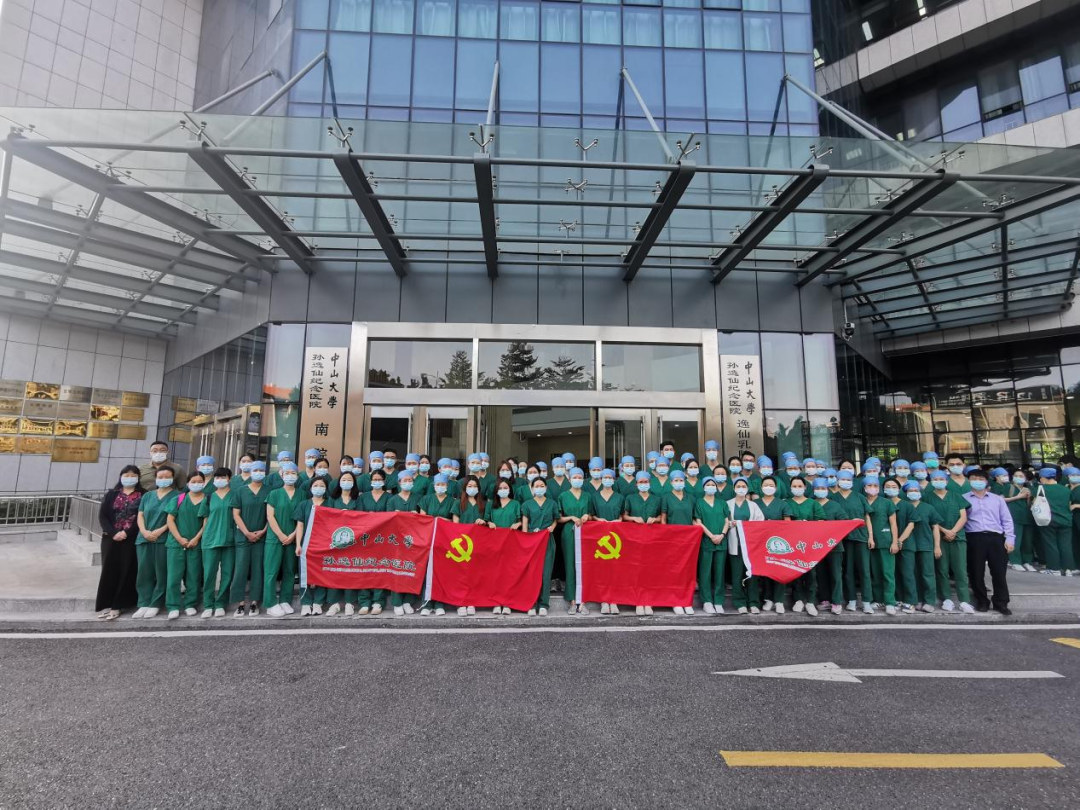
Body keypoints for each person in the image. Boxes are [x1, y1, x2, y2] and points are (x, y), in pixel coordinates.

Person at [964, 467, 1016, 615]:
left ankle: (1001, 602)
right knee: (976, 572)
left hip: (996, 538)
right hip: (974, 537)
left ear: (987, 481)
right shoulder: (963, 499)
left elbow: (1007, 520)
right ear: (969, 481)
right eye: (974, 479)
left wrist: (1010, 539)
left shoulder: (997, 499)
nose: (977, 482)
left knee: (999, 572)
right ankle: (982, 601)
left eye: (981, 479)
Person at [94, 465, 144, 620]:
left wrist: (127, 533)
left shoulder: (143, 494)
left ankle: (119, 605)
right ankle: (108, 604)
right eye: (126, 475)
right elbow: (103, 516)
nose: (129, 478)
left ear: (138, 477)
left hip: (131, 538)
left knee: (127, 570)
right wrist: (113, 532)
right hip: (111, 539)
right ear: (121, 476)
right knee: (109, 570)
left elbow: (142, 517)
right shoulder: (112, 494)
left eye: (133, 475)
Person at [133, 464, 178, 619]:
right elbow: (140, 515)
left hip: (163, 539)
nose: (164, 479)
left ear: (173, 478)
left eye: (167, 477)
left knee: (161, 572)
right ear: (156, 478)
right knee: (144, 572)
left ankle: (155, 604)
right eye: (160, 477)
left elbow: (175, 518)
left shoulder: (177, 496)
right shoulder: (147, 496)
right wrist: (144, 531)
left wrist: (160, 530)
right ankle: (143, 603)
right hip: (144, 539)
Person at [927, 470, 973, 613]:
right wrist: (945, 531)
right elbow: (929, 518)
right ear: (931, 482)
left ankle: (964, 600)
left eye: (941, 479)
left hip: (958, 537)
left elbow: (963, 517)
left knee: (960, 569)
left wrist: (953, 531)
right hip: (938, 538)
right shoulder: (927, 498)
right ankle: (946, 599)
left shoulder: (956, 496)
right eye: (935, 479)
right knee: (942, 569)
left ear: (947, 481)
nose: (938, 481)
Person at [163, 471, 207, 620]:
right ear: (188, 483)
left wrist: (196, 539)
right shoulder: (179, 499)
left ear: (204, 483)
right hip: (176, 544)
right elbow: (170, 520)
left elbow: (206, 523)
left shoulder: (207, 500)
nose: (196, 484)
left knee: (193, 576)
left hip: (196, 544)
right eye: (193, 481)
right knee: (173, 577)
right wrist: (179, 538)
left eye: (200, 481)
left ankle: (190, 604)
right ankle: (173, 606)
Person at [231, 459, 269, 617]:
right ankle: (240, 603)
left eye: (261, 470)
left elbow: (271, 515)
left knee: (257, 570)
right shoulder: (241, 491)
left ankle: (254, 602)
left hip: (262, 537)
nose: (258, 473)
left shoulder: (269, 491)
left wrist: (263, 531)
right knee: (240, 569)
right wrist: (246, 532)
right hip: (243, 537)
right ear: (250, 472)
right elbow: (236, 514)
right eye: (255, 470)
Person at [896, 481, 941, 613]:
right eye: (910, 491)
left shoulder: (928, 508)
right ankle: (915, 600)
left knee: (927, 574)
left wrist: (937, 546)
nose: (913, 493)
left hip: (925, 544)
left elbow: (935, 527)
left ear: (920, 492)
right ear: (905, 493)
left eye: (916, 490)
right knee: (910, 573)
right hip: (907, 545)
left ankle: (929, 601)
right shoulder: (902, 507)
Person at [264, 462, 302, 618]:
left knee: (289, 571)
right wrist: (280, 535)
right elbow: (270, 516)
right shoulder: (274, 494)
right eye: (287, 473)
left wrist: (293, 535)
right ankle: (270, 603)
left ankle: (285, 600)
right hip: (275, 538)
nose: (290, 476)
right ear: (281, 475)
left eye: (293, 473)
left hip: (293, 538)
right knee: (271, 571)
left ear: (297, 476)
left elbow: (302, 518)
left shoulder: (301, 494)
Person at [419, 473, 460, 616]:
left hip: (445, 540)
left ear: (447, 486)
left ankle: (439, 603)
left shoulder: (453, 501)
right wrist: (433, 520)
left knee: (441, 571)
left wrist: (442, 520)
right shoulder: (426, 499)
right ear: (434, 485)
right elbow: (422, 519)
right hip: (429, 539)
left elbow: (455, 522)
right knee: (428, 571)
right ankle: (427, 603)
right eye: (438, 484)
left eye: (443, 484)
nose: (440, 487)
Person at [833, 470, 873, 614]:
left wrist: (871, 536)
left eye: (848, 479)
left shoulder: (860, 497)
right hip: (843, 538)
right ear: (838, 480)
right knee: (848, 570)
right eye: (843, 479)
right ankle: (851, 600)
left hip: (861, 537)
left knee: (864, 570)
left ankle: (867, 602)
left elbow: (867, 517)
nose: (846, 482)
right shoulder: (833, 498)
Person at [722, 478, 764, 615]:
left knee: (752, 574)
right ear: (734, 488)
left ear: (747, 488)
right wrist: (731, 524)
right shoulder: (727, 504)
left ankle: (753, 602)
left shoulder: (753, 505)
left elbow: (760, 522)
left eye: (743, 486)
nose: (741, 488)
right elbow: (723, 522)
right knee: (737, 574)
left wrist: (749, 525)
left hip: (750, 545)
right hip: (735, 545)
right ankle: (739, 602)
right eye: (738, 486)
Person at [786, 474, 825, 616]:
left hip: (810, 543)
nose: (797, 488)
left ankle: (810, 601)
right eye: (794, 486)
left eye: (799, 486)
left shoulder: (813, 503)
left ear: (805, 487)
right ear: (790, 488)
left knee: (811, 572)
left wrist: (808, 525)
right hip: (792, 543)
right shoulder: (786, 503)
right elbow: (783, 522)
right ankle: (798, 599)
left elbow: (821, 521)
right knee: (795, 570)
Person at [522, 474, 560, 617]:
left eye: (541, 486)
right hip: (532, 541)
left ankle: (544, 604)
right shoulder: (526, 505)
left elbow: (556, 519)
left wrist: (552, 527)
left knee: (545, 572)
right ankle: (531, 603)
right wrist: (526, 540)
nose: (539, 488)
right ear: (532, 488)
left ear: (546, 488)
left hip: (547, 540)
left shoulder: (552, 503)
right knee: (532, 573)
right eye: (536, 486)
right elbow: (524, 526)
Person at [556, 467, 592, 616]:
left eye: (580, 477)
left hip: (586, 532)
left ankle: (583, 601)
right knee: (570, 565)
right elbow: (558, 518)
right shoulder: (563, 496)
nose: (577, 480)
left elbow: (592, 514)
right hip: (569, 532)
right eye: (574, 477)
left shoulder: (588, 496)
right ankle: (572, 601)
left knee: (584, 565)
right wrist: (571, 517)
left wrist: (587, 516)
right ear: (569, 479)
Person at [862, 475, 900, 617]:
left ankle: (890, 602)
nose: (873, 488)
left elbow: (893, 524)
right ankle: (879, 600)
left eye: (876, 486)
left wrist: (894, 542)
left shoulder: (887, 503)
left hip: (885, 541)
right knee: (875, 573)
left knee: (887, 573)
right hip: (868, 542)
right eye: (870, 485)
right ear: (864, 487)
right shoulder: (862, 501)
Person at [201, 467, 236, 618]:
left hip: (229, 540)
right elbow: (205, 519)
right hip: (210, 540)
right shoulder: (209, 497)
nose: (220, 480)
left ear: (229, 479)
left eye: (223, 477)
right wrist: (203, 536)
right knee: (209, 574)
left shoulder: (235, 496)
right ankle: (208, 605)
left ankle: (221, 603)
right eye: (217, 477)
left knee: (227, 574)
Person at [486, 476, 523, 615]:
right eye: (500, 488)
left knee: (509, 573)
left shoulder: (515, 504)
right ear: (496, 490)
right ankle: (496, 602)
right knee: (496, 573)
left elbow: (521, 520)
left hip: (511, 542)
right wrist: (489, 523)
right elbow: (486, 519)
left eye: (505, 488)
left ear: (510, 489)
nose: (503, 490)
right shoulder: (491, 504)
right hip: (495, 543)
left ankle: (507, 602)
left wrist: (518, 524)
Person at [294, 475, 330, 616]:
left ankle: (318, 602)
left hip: (325, 544)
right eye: (315, 486)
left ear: (326, 488)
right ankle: (306, 602)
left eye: (322, 486)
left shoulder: (330, 503)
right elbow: (300, 525)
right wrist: (298, 544)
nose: (318, 488)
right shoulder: (304, 504)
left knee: (322, 572)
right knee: (305, 572)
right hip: (307, 543)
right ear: (310, 488)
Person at [386, 469, 420, 616]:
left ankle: (408, 600)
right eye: (405, 480)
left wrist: (417, 515)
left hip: (414, 539)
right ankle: (397, 601)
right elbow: (387, 521)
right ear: (399, 482)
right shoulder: (392, 500)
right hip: (397, 540)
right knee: (397, 569)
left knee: (412, 568)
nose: (407, 483)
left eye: (410, 480)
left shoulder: (418, 498)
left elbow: (423, 517)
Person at [661, 469, 696, 615]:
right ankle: (675, 601)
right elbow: (663, 518)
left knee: (687, 571)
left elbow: (694, 519)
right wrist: (665, 536)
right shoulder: (666, 498)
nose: (679, 482)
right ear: (671, 482)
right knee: (674, 570)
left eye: (681, 480)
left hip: (688, 540)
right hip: (672, 539)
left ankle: (686, 601)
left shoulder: (690, 498)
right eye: (676, 480)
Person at [755, 475, 789, 613]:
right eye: (765, 485)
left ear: (776, 488)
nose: (768, 487)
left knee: (779, 570)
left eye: (771, 485)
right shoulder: (755, 503)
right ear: (761, 487)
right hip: (761, 541)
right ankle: (768, 598)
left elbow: (788, 523)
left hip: (779, 542)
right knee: (766, 571)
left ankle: (779, 600)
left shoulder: (782, 504)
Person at [693, 476, 727, 615]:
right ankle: (706, 601)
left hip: (721, 542)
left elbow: (727, 520)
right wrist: (711, 536)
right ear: (703, 487)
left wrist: (722, 535)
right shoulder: (699, 503)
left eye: (713, 484)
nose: (711, 487)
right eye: (708, 484)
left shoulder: (722, 503)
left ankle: (718, 601)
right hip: (706, 541)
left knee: (719, 573)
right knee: (705, 572)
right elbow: (698, 522)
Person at [456, 474, 488, 616]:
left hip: (478, 543)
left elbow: (488, 521)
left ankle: (472, 601)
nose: (472, 488)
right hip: (462, 544)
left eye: (475, 486)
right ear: (465, 488)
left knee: (475, 574)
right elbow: (454, 525)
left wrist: (484, 522)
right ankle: (460, 602)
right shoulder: (458, 503)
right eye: (470, 486)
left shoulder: (484, 504)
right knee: (461, 574)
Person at [813, 477, 846, 615]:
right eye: (817, 488)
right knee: (820, 574)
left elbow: (843, 522)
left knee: (835, 574)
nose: (820, 490)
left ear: (827, 490)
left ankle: (836, 601)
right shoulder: (811, 504)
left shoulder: (835, 506)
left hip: (834, 546)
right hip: (816, 546)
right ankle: (824, 600)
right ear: (813, 490)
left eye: (823, 488)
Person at [1036, 466, 1075, 576]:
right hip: (1066, 520)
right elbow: (1069, 503)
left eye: (1040, 477)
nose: (1040, 479)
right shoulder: (1066, 489)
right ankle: (1068, 569)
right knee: (1066, 545)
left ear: (1044, 478)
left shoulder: (1040, 489)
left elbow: (1034, 503)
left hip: (1048, 520)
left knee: (1050, 544)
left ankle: (1054, 569)